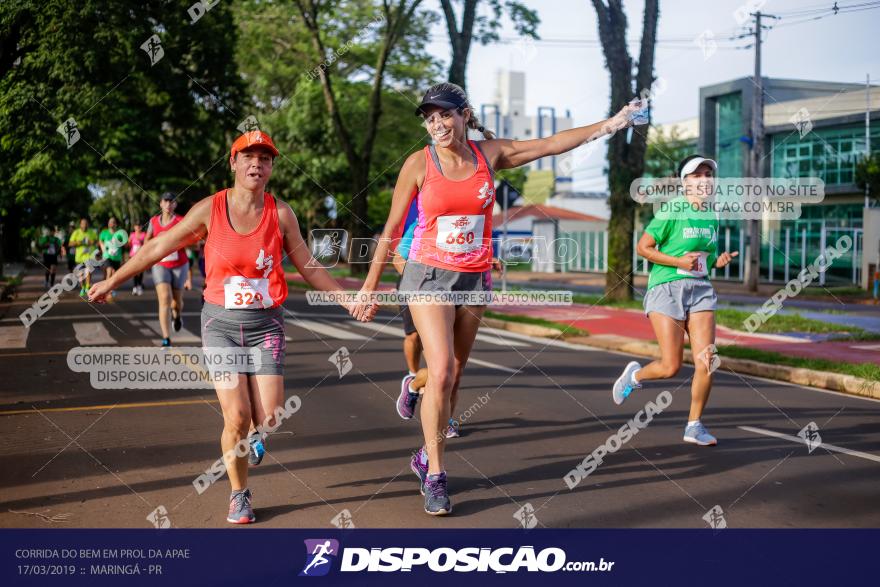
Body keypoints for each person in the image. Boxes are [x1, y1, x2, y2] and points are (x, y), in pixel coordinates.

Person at [352, 82, 641, 515]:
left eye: (445, 115)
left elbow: (551, 144)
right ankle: (435, 475)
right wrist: (368, 287)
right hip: (427, 277)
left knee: (456, 370)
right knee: (445, 369)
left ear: (464, 115)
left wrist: (612, 124)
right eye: (430, 118)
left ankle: (415, 396)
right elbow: (392, 229)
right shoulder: (418, 164)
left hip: (474, 278)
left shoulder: (490, 155)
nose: (437, 124)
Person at [89, 130, 365, 524]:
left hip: (266, 324)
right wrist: (112, 280)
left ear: (271, 166)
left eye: (265, 158)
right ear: (233, 163)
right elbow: (156, 247)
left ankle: (255, 435)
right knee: (236, 415)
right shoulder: (211, 209)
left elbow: (310, 266)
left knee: (268, 417)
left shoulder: (281, 213)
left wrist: (347, 298)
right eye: (248, 156)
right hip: (220, 322)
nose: (257, 163)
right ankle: (239, 494)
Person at [612, 155, 738, 446]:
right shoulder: (673, 209)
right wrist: (677, 260)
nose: (704, 179)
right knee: (671, 366)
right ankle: (634, 377)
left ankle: (694, 426)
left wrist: (718, 261)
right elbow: (643, 248)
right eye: (697, 175)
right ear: (685, 182)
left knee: (707, 361)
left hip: (701, 289)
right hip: (666, 288)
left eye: (708, 174)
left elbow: (704, 259)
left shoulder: (713, 214)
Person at [145, 193, 193, 347]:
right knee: (165, 298)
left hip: (180, 264)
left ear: (175, 205)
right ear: (160, 204)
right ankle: (166, 338)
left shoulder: (180, 221)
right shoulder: (153, 221)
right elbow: (147, 240)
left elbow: (191, 241)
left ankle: (177, 316)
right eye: (165, 201)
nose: (168, 204)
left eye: (171, 201)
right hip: (160, 265)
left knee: (176, 302)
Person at [394, 199, 425, 421]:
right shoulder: (420, 223)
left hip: (452, 291)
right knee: (414, 336)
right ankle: (413, 377)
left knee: (450, 368)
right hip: (413, 286)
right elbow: (398, 259)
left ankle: (445, 418)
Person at [68, 218, 98, 296]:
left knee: (88, 271)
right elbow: (70, 243)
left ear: (87, 224)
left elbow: (96, 241)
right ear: (80, 225)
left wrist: (91, 242)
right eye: (83, 223)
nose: (84, 225)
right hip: (79, 257)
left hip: (89, 256)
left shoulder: (91, 232)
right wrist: (78, 242)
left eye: (86, 223)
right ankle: (83, 288)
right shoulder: (76, 232)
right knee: (80, 274)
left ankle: (87, 287)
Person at [98, 217, 125, 296]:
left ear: (116, 224)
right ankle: (107, 290)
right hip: (107, 256)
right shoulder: (104, 232)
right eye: (110, 222)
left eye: (113, 222)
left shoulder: (120, 234)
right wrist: (103, 248)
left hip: (117, 257)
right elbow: (100, 241)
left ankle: (109, 288)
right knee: (110, 270)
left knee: (114, 274)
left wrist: (123, 259)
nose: (111, 223)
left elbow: (123, 246)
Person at [128, 223, 146, 295]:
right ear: (134, 227)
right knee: (134, 271)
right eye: (137, 226)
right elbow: (129, 244)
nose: (138, 227)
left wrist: (141, 242)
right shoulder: (132, 235)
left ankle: (139, 286)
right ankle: (135, 287)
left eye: (139, 225)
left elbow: (146, 243)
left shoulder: (144, 234)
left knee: (141, 271)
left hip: (141, 255)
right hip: (133, 255)